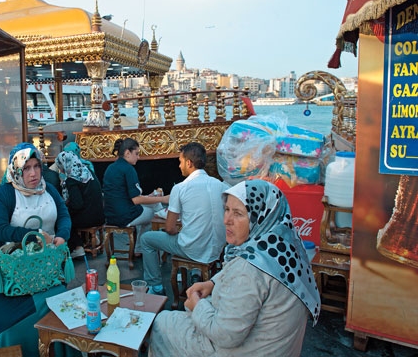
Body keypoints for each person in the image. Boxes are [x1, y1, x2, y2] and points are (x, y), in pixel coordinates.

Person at [149, 179, 321, 357]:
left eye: (238, 213)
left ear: (259, 217)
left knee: (163, 322)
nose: (226, 220)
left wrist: (197, 304)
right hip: (278, 347)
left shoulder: (249, 268)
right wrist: (213, 283)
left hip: (247, 351)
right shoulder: (284, 246)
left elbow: (225, 335)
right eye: (226, 210)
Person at [0, 143, 72, 355]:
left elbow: (64, 214)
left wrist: (62, 236)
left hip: (47, 265)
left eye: (36, 166)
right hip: (12, 268)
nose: (33, 173)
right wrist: (36, 236)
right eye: (26, 168)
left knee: (60, 303)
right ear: (15, 170)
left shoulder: (49, 190)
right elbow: (1, 230)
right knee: (9, 321)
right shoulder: (3, 195)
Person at [140, 142, 229, 295]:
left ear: (189, 163)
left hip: (192, 248)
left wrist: (178, 231)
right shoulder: (221, 186)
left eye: (180, 162)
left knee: (146, 239)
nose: (179, 166)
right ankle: (195, 274)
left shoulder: (180, 188)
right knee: (194, 233)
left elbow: (169, 228)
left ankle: (155, 286)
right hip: (218, 247)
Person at [102, 138, 168, 255]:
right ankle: (160, 243)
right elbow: (136, 199)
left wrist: (150, 197)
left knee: (151, 206)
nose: (138, 157)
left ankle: (140, 248)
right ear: (127, 153)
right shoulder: (128, 169)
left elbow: (124, 195)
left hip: (110, 214)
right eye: (136, 154)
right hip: (124, 216)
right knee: (154, 213)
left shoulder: (110, 168)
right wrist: (163, 199)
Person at [54, 150, 104, 258]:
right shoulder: (88, 171)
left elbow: (77, 204)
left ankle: (78, 247)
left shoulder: (72, 180)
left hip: (89, 218)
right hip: (100, 215)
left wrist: (66, 210)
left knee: (63, 220)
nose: (61, 170)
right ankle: (90, 238)